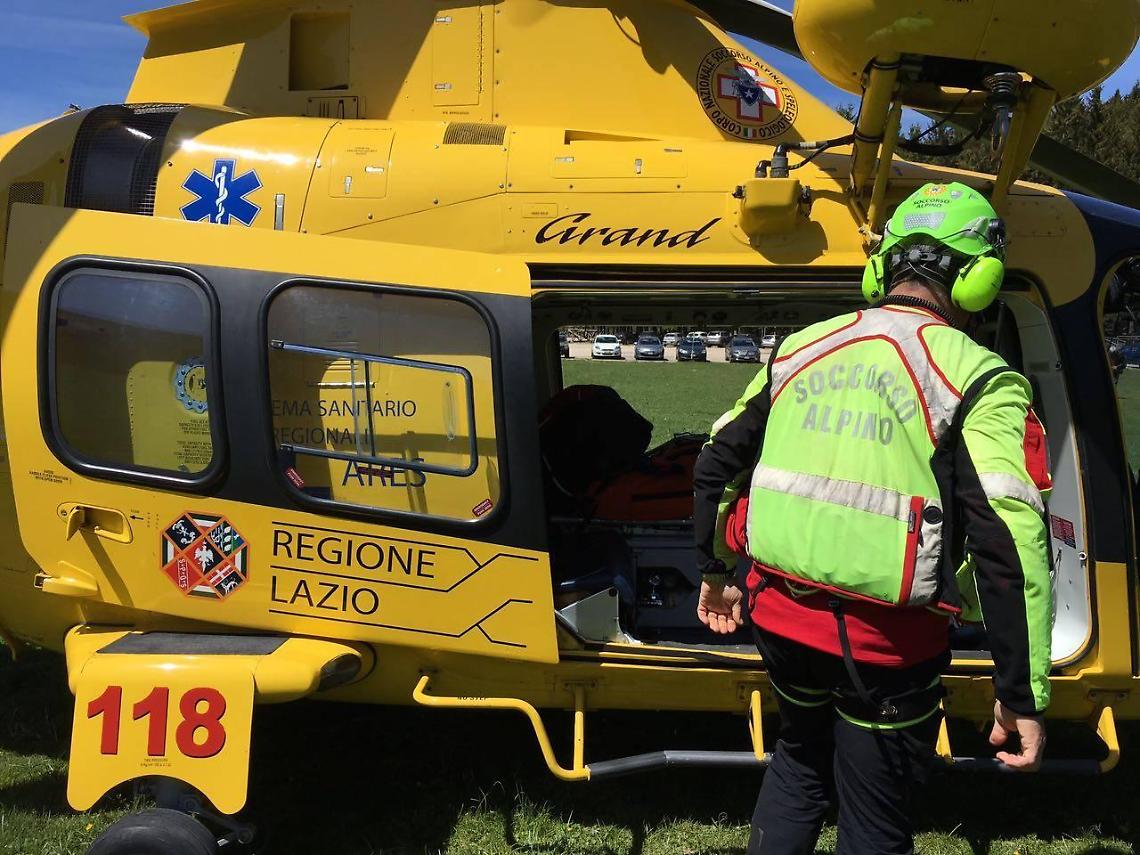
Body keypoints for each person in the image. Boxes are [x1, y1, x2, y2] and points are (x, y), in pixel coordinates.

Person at [693, 182, 1053, 855]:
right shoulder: (980, 376)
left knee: (798, 766)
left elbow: (715, 465)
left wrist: (715, 572)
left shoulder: (801, 347)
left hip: (779, 622)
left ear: (882, 267)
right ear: (979, 279)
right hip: (888, 649)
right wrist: (1019, 694)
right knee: (875, 816)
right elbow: (1012, 541)